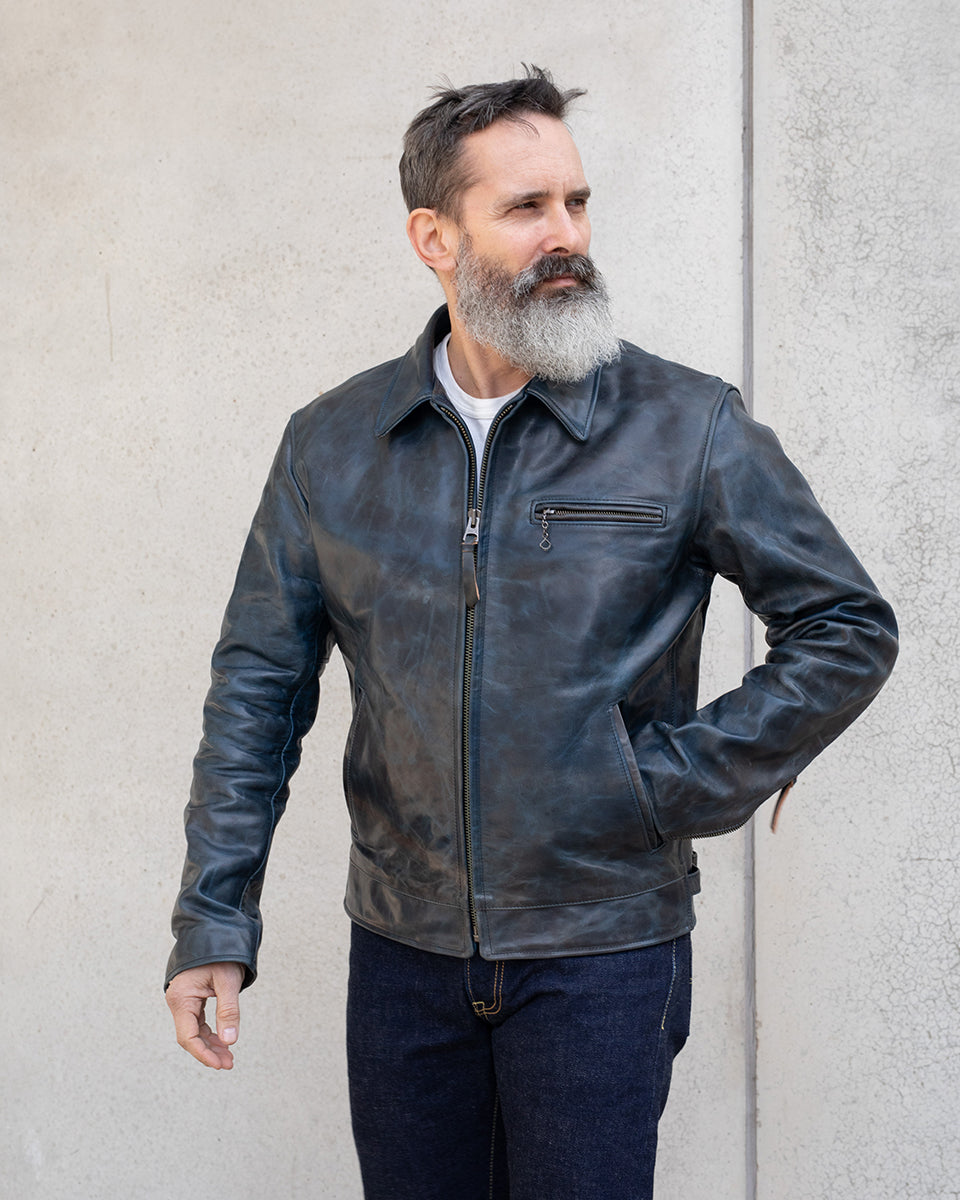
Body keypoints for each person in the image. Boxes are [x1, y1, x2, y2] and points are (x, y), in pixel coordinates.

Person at [164, 67, 898, 1199]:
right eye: (525, 207)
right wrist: (215, 917)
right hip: (402, 957)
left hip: (603, 953)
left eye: (577, 202)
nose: (568, 236)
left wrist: (663, 784)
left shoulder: (685, 425)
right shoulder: (332, 444)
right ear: (434, 237)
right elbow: (258, 687)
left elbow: (845, 624)